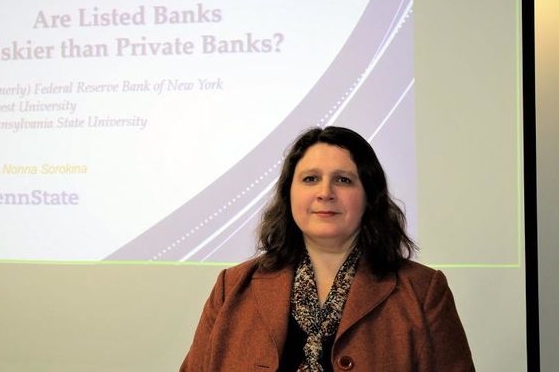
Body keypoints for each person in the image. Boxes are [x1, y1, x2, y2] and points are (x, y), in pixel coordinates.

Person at [181, 126, 474, 371]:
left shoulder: (423, 291)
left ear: (369, 196)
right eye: (310, 179)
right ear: (289, 194)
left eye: (343, 180)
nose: (325, 193)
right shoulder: (231, 288)